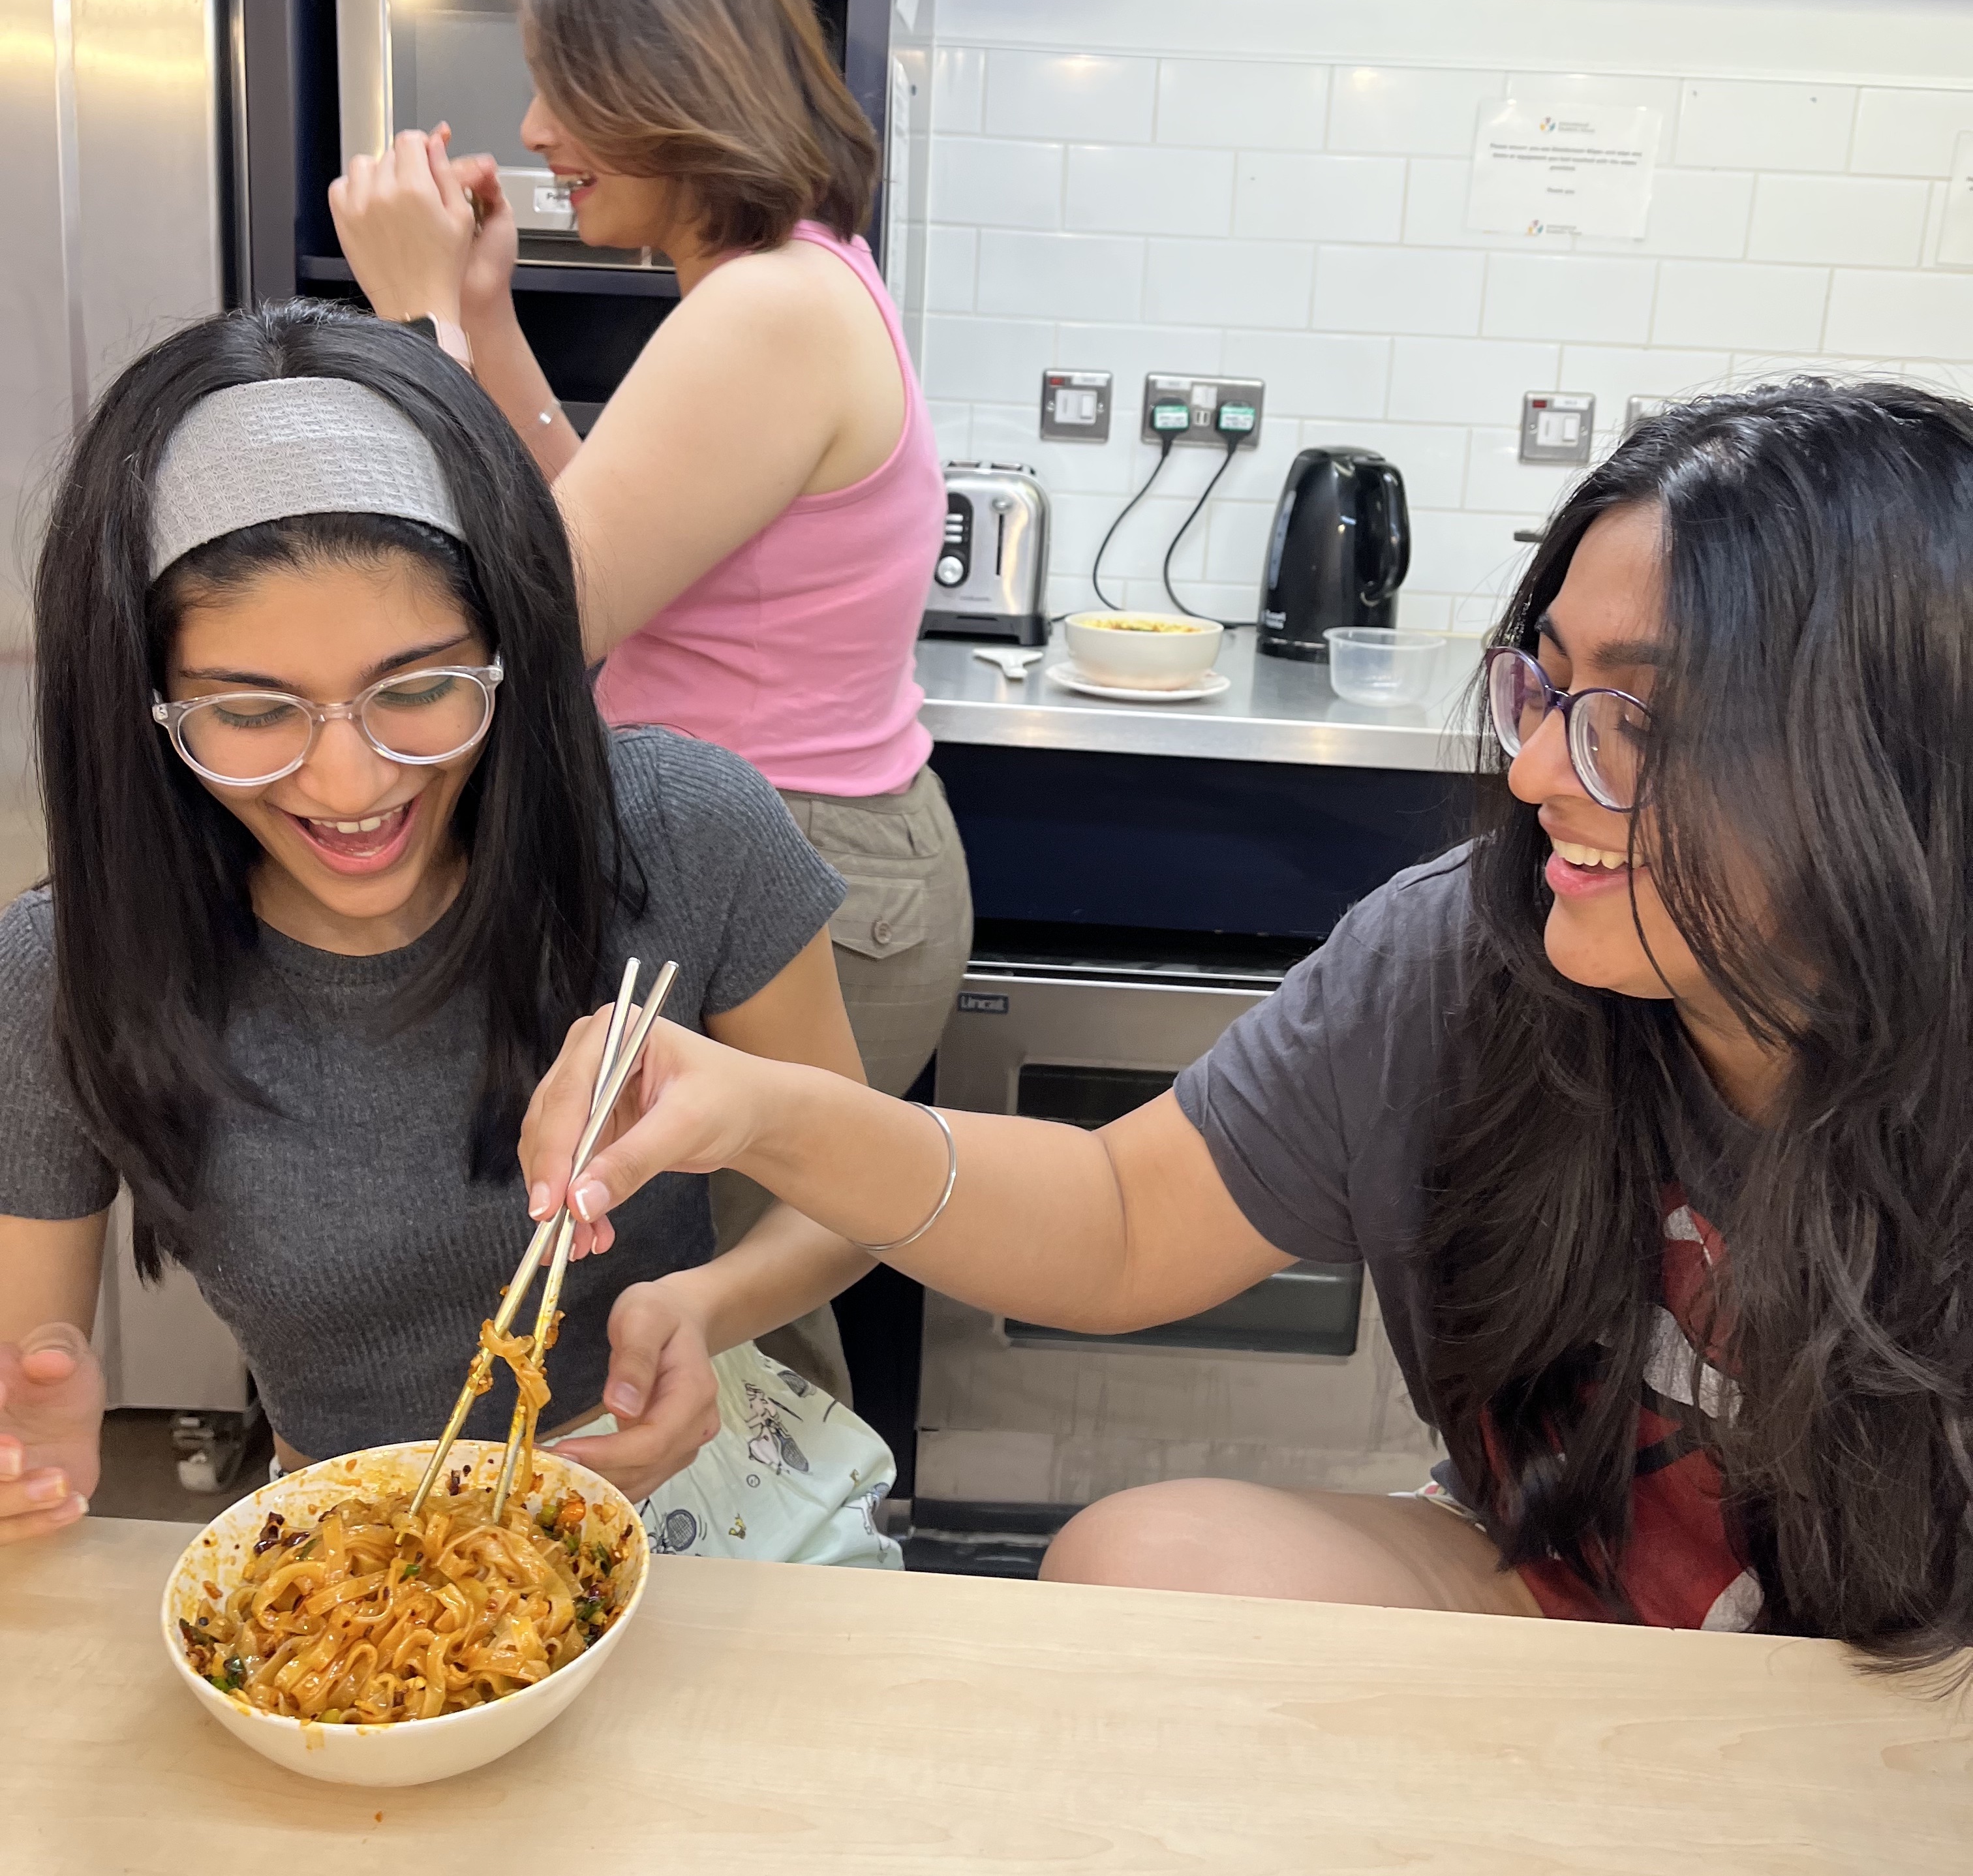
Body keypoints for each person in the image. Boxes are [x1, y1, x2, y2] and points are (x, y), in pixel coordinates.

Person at [519, 381, 1973, 1667]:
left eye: (1638, 722)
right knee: (1139, 1562)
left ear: (1885, 776)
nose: (1535, 770)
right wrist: (761, 1106)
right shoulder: (1466, 954)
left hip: (1898, 1669)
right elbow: (1118, 1214)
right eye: (1549, 683)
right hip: (1552, 1574)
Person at [0, 301, 896, 1569]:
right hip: (351, 1551)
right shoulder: (66, 968)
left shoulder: (680, 834)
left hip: (697, 1493)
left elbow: (860, 1196)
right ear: (144, 702)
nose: (353, 780)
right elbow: (30, 1373)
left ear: (509, 648)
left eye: (420, 687)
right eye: (251, 709)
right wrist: (34, 1460)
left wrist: (698, 1306)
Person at [327, 0, 970, 1398]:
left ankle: (785, 1595)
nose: (539, 131)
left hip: (793, 862)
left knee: (748, 1311)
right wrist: (482, 322)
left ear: (668, 87)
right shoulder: (787, 288)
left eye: (566, 87)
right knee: (739, 1280)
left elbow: (542, 615)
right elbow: (602, 529)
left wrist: (415, 318)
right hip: (822, 850)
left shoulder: (764, 310)